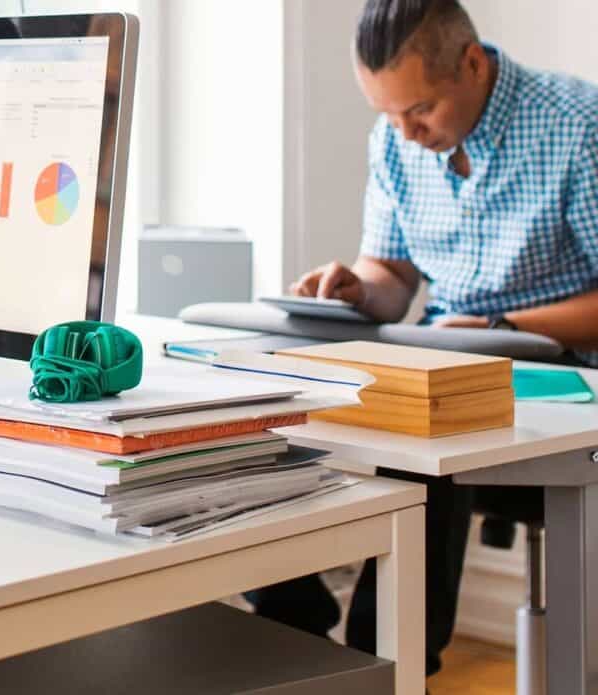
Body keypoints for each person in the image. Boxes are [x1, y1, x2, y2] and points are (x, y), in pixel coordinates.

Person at [254, 0, 598, 676]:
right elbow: (393, 276)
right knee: (270, 423)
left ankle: (386, 670)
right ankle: (296, 641)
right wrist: (356, 284)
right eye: (388, 115)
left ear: (471, 63)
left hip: (563, 380)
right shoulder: (394, 141)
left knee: (426, 433)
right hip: (449, 359)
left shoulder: (577, 126)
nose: (406, 134)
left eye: (421, 111)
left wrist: (504, 328)